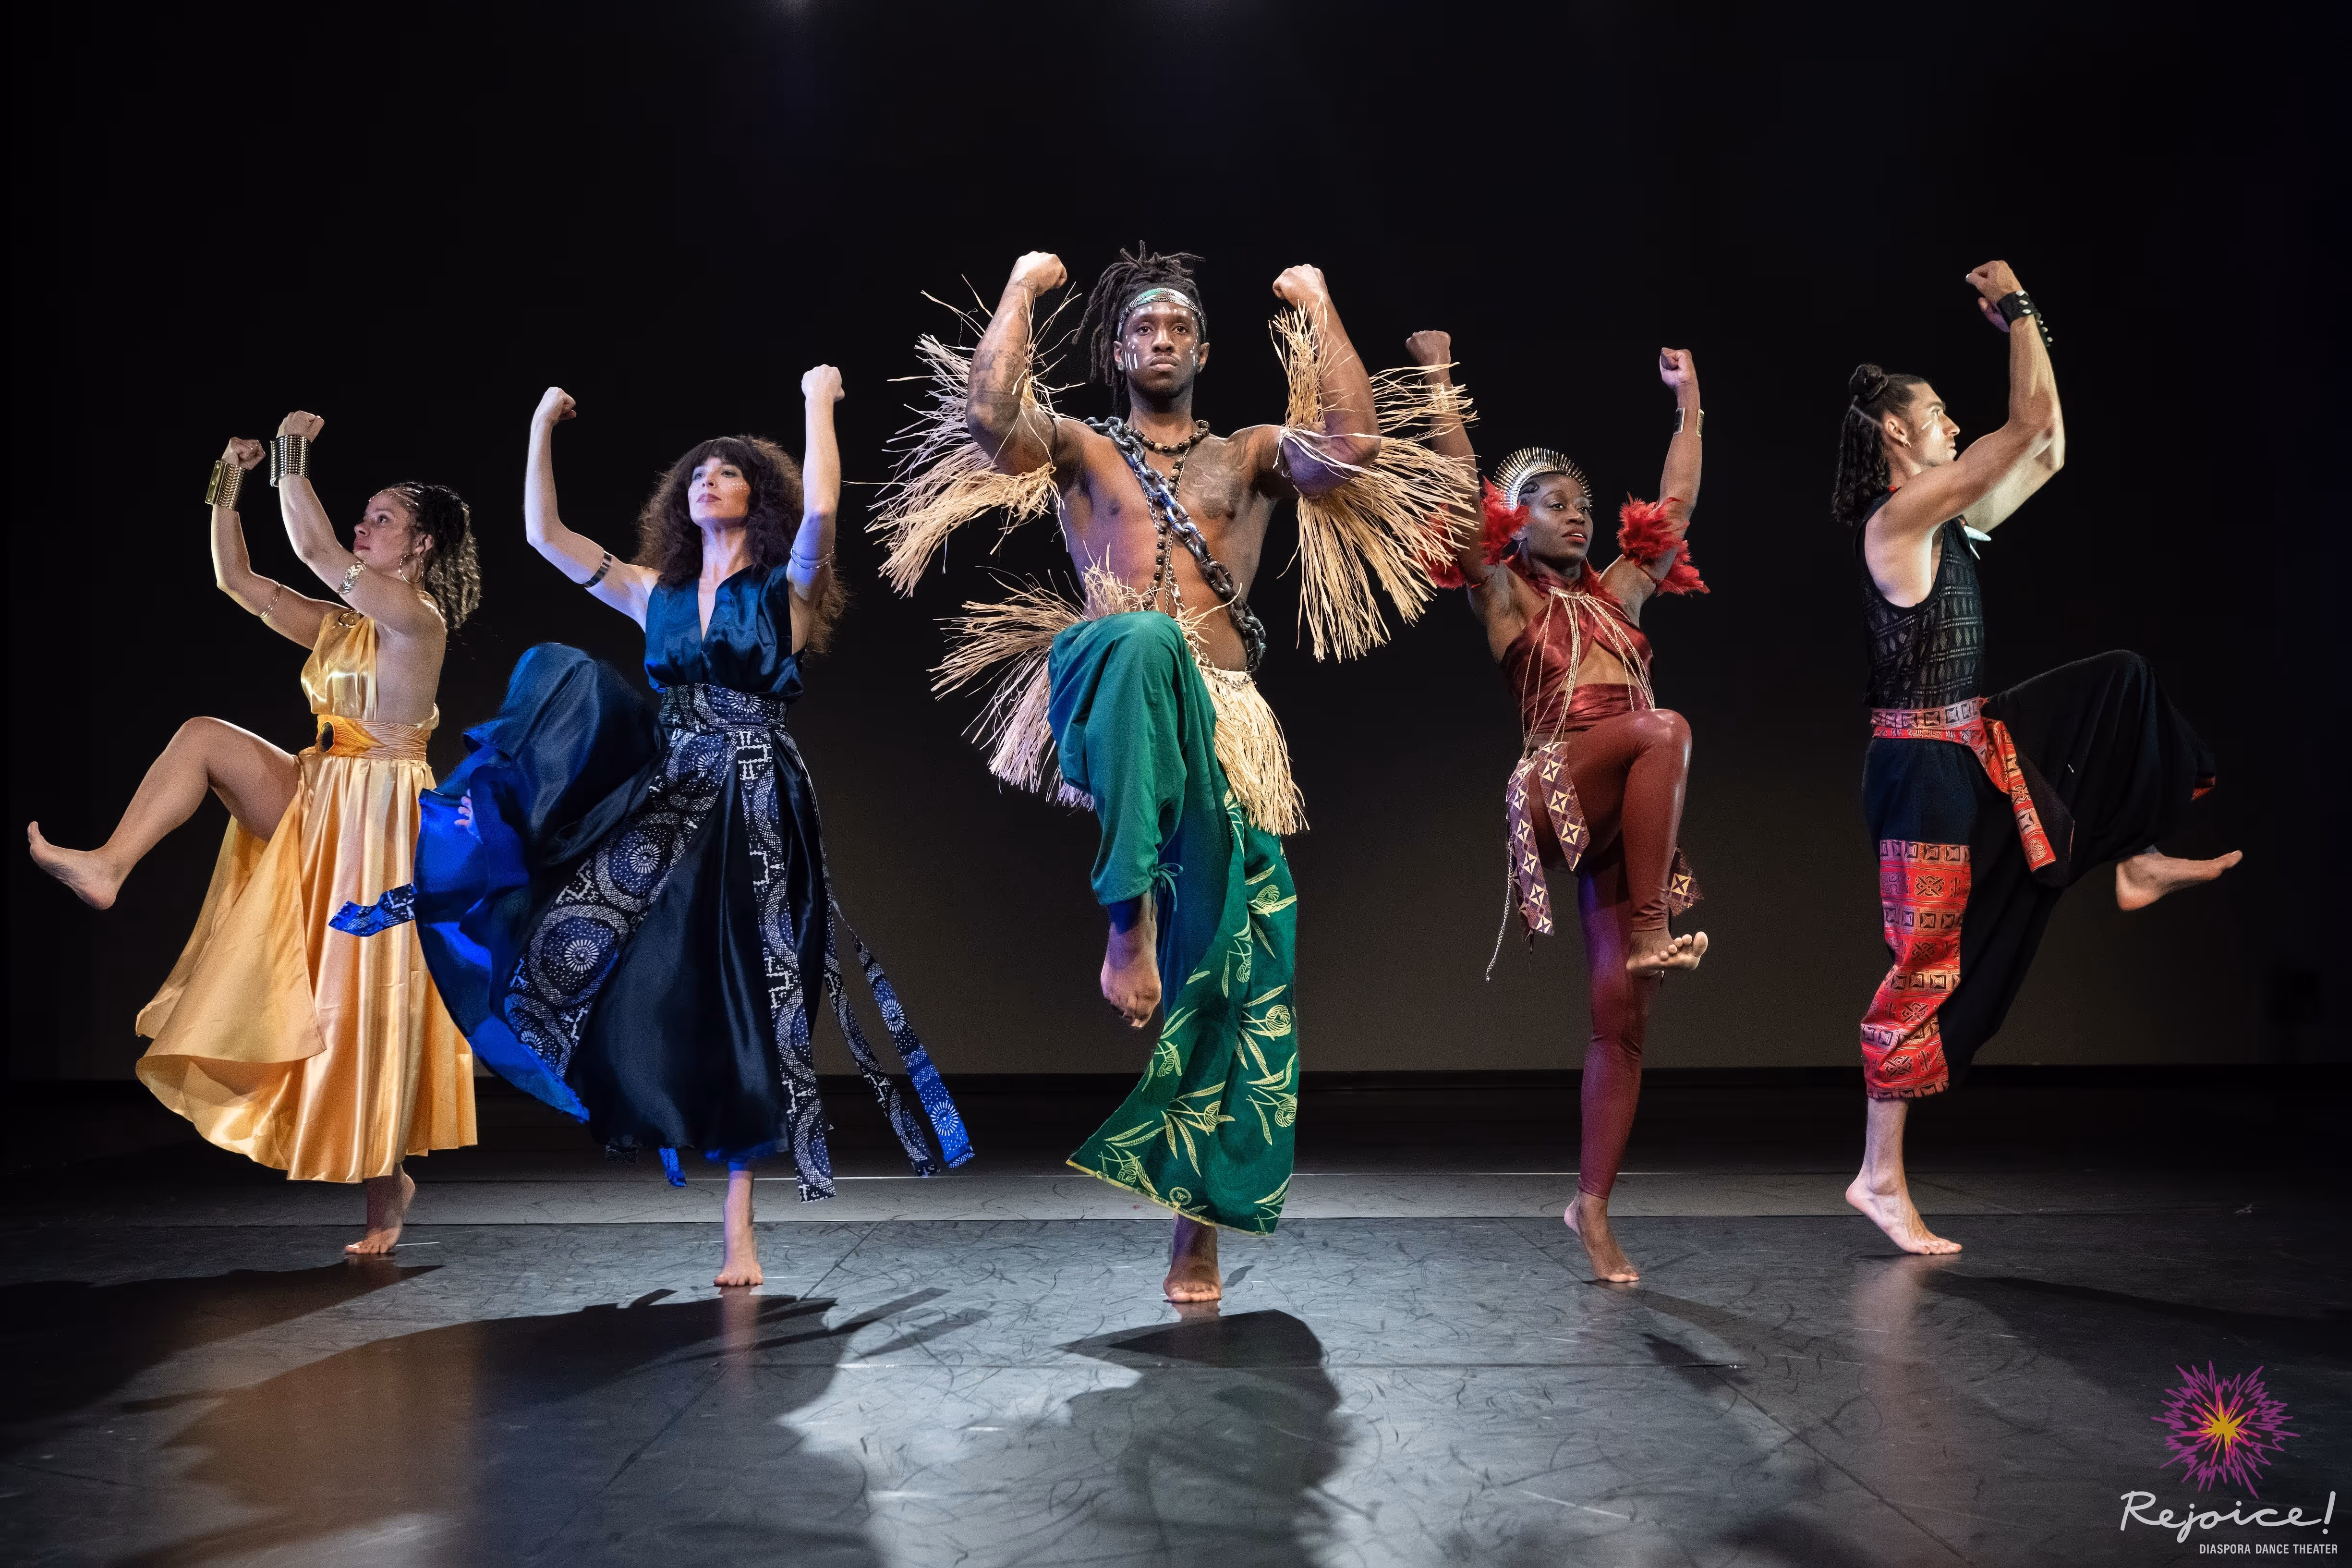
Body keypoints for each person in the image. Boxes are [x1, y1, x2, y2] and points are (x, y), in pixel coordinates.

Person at [873, 245, 1463, 1301]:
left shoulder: (1245, 455)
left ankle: (1198, 1226)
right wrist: (1018, 289)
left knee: (1243, 972)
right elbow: (988, 423)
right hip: (1110, 682)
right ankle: (1125, 921)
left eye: (1178, 329)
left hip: (1227, 725)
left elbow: (1354, 449)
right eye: (1142, 329)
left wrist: (1323, 303)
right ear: (1112, 349)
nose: (1160, 341)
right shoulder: (1083, 451)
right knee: (1145, 642)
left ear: (1203, 348)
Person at [336, 371, 969, 1290]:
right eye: (698, 473)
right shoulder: (652, 594)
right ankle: (624, 1083)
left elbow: (825, 512)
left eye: (727, 472)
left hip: (757, 807)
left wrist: (816, 405)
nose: (707, 479)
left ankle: (739, 1225)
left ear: (759, 498)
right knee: (614, 944)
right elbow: (543, 537)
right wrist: (542, 424)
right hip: (667, 802)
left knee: (752, 994)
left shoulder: (784, 592)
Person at [1834, 260, 2238, 1254]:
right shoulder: (1900, 522)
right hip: (1918, 771)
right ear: (1894, 433)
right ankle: (1877, 1179)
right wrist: (2017, 310)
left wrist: (2026, 333)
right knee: (1926, 965)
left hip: (1974, 743)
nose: (1947, 425)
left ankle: (2135, 855)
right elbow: (2018, 430)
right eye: (1932, 416)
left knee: (2120, 681)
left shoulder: (1952, 521)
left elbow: (2043, 448)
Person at [27, 416, 481, 1253]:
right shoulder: (344, 625)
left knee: (357, 997)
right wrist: (227, 481)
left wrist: (289, 453)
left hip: (380, 816)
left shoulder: (416, 619)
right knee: (203, 733)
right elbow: (241, 580)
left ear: (419, 547)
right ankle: (108, 866)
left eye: (380, 520)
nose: (362, 527)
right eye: (365, 515)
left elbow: (314, 555)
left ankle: (387, 1189)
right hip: (320, 789)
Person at [1408, 330, 1710, 1284]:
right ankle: (1656, 921)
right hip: (1553, 787)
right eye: (1552, 501)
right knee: (1665, 727)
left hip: (1632, 802)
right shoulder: (1502, 596)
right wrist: (1438, 384)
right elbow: (1463, 492)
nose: (1576, 515)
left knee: (1621, 1019)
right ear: (1515, 517)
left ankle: (1590, 1204)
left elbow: (1678, 503)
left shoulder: (1620, 597)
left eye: (1583, 503)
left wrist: (1688, 404)